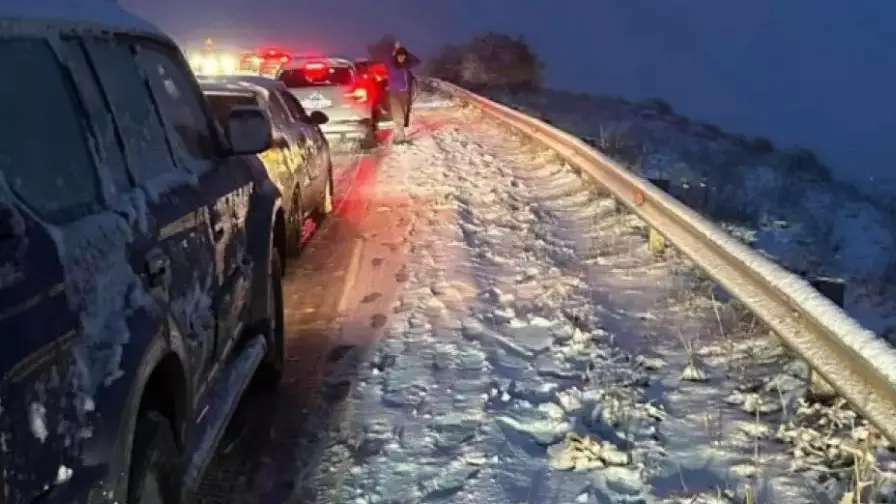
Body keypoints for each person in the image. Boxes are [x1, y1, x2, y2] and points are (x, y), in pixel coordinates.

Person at [385, 41, 420, 144]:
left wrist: (407, 53)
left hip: (405, 93)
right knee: (398, 114)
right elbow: (387, 59)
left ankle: (399, 134)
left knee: (404, 114)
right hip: (394, 93)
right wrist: (395, 50)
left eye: (403, 56)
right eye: (399, 56)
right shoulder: (391, 65)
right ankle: (400, 138)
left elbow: (417, 61)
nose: (401, 58)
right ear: (396, 56)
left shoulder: (406, 66)